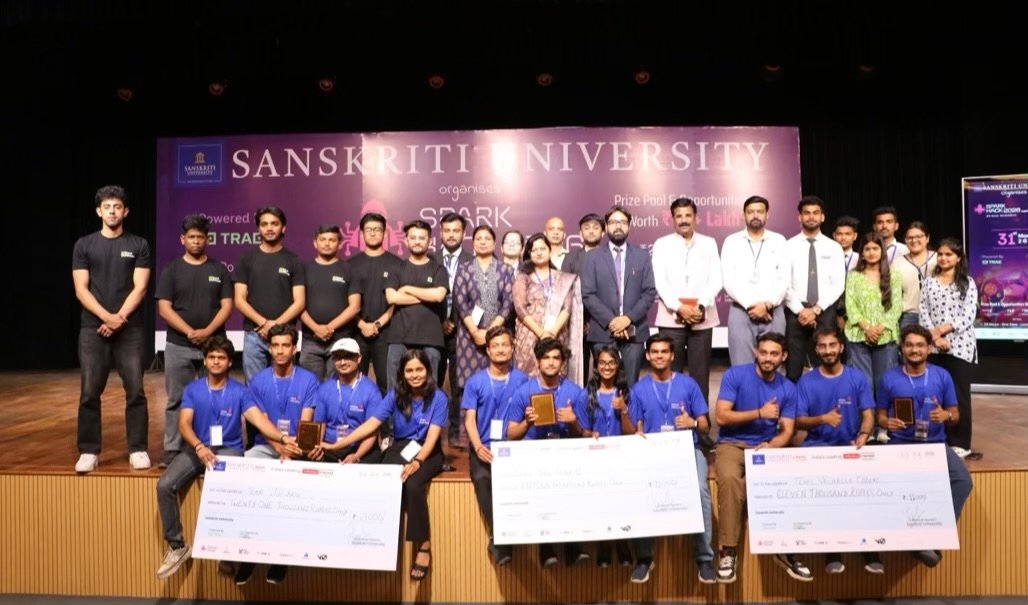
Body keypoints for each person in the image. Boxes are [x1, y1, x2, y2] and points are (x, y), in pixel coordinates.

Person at [155, 336, 300, 579]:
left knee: (224, 490)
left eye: (221, 358)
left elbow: (259, 420)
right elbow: (184, 424)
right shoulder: (193, 389)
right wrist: (199, 447)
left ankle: (227, 551)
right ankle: (177, 546)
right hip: (197, 449)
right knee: (164, 485)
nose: (216, 361)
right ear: (204, 361)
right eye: (211, 357)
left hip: (229, 450)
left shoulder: (240, 391)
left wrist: (282, 438)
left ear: (230, 362)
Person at [322, 349, 447, 581]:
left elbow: (432, 437)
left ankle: (423, 544)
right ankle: (377, 542)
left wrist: (418, 461)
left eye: (419, 369)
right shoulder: (395, 394)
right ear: (402, 374)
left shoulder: (438, 397)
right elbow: (370, 424)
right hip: (401, 446)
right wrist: (338, 445)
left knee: (412, 484)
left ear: (428, 371)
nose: (415, 375)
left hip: (428, 451)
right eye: (409, 370)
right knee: (385, 481)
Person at [875, 324, 974, 568]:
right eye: (909, 345)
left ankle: (933, 536)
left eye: (920, 345)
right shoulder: (889, 378)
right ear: (901, 349)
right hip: (900, 445)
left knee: (963, 481)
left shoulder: (942, 376)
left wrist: (946, 416)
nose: (915, 350)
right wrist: (888, 422)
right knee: (883, 486)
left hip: (935, 445)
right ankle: (888, 541)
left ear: (929, 349)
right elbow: (880, 416)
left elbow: (955, 414)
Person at [72, 185, 152, 473]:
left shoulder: (139, 244)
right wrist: (107, 317)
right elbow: (81, 289)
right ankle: (88, 451)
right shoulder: (84, 245)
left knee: (136, 390)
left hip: (129, 328)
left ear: (125, 211)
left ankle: (138, 449)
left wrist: (119, 318)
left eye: (117, 207)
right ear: (98, 211)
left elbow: (140, 287)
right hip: (93, 328)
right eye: (107, 207)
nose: (112, 211)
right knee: (89, 392)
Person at [234, 323, 320, 586]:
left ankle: (281, 555)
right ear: (269, 349)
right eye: (275, 346)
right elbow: (261, 422)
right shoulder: (258, 381)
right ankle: (248, 553)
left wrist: (290, 451)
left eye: (285, 345)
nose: (280, 351)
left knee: (290, 487)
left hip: (297, 448)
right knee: (246, 469)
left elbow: (306, 424)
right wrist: (278, 446)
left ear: (295, 349)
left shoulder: (308, 380)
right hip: (267, 446)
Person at [627, 335, 716, 585]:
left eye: (664, 352)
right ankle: (644, 558)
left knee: (700, 490)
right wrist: (637, 432)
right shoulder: (639, 389)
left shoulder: (688, 384)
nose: (659, 356)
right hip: (653, 453)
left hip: (687, 448)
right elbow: (634, 426)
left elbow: (705, 425)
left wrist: (693, 422)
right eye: (654, 352)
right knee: (642, 490)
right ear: (647, 356)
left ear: (672, 355)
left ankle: (704, 558)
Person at [793, 327, 882, 575]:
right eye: (822, 346)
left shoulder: (856, 378)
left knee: (868, 494)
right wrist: (822, 419)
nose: (828, 351)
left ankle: (869, 548)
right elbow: (798, 421)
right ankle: (832, 550)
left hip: (850, 448)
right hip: (817, 450)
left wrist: (864, 434)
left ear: (841, 347)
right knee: (827, 496)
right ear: (816, 350)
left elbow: (868, 414)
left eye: (832, 345)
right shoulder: (806, 381)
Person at [713, 332, 799, 583]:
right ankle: (728, 552)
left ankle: (786, 548)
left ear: (784, 356)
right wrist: (759, 413)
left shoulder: (788, 387)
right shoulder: (735, 375)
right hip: (732, 444)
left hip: (765, 446)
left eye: (774, 354)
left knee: (789, 482)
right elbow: (721, 417)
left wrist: (772, 446)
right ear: (755, 353)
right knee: (730, 481)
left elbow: (788, 431)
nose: (768, 358)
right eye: (763, 352)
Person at [155, 213, 233, 468]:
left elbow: (227, 306)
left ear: (207, 239)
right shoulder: (172, 270)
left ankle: (214, 444)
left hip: (213, 346)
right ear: (183, 239)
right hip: (178, 345)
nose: (196, 241)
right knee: (177, 399)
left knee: (215, 397)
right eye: (191, 237)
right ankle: (173, 448)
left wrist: (207, 331)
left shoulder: (219, 270)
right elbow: (164, 308)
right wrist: (190, 331)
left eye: (200, 237)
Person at [507, 338, 587, 567]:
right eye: (546, 358)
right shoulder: (524, 392)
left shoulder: (575, 392)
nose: (551, 362)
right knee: (542, 495)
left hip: (566, 454)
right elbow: (510, 434)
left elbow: (585, 434)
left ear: (562, 363)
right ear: (538, 360)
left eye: (556, 358)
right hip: (535, 457)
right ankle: (545, 548)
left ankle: (572, 546)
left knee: (571, 494)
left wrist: (573, 422)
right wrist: (527, 423)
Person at [461, 326, 529, 566]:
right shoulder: (475, 382)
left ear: (512, 349)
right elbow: (469, 420)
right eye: (495, 346)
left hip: (514, 446)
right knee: (482, 480)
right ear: (488, 350)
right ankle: (501, 536)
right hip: (485, 447)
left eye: (505, 345)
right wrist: (478, 446)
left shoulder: (522, 379)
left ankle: (500, 540)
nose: (500, 350)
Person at [652, 197, 722, 403]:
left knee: (700, 375)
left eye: (688, 215)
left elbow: (716, 279)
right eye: (679, 216)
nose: (684, 220)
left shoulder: (709, 243)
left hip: (702, 318)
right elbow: (659, 281)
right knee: (669, 372)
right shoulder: (662, 244)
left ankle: (701, 419)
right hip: (670, 319)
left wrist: (699, 306)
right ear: (672, 219)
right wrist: (679, 307)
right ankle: (669, 417)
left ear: (695, 217)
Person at [581, 206, 657, 387]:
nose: (618, 226)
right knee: (604, 385)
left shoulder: (642, 256)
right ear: (606, 227)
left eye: (622, 222)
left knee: (631, 385)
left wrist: (627, 319)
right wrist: (612, 321)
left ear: (629, 226)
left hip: (634, 331)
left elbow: (649, 292)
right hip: (603, 331)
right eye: (613, 222)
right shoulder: (592, 257)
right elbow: (588, 294)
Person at [575, 346, 635, 570]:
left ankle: (621, 542)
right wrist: (589, 434)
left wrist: (624, 411)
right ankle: (604, 544)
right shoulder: (586, 395)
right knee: (600, 502)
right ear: (596, 367)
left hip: (622, 456)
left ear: (617, 366)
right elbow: (582, 431)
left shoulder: (628, 394)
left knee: (621, 501)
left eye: (611, 363)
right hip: (596, 457)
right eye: (602, 363)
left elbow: (631, 432)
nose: (606, 367)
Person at [919, 238, 978, 458]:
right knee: (934, 393)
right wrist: (934, 338)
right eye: (941, 254)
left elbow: (968, 314)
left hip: (960, 346)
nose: (943, 258)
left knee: (959, 395)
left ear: (958, 258)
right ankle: (937, 439)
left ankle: (960, 443)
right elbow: (923, 311)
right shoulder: (929, 282)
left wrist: (943, 330)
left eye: (949, 255)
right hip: (933, 347)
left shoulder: (967, 283)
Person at [233, 206, 306, 381]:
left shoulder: (294, 260)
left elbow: (299, 302)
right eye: (264, 224)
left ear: (283, 228)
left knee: (285, 385)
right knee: (254, 387)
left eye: (274, 224)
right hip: (254, 334)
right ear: (258, 229)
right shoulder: (246, 259)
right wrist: (264, 323)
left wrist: (274, 327)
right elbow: (239, 299)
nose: (269, 228)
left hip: (284, 335)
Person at [720, 196, 789, 366]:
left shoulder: (779, 241)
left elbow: (784, 278)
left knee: (773, 365)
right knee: (741, 366)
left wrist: (767, 305)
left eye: (760, 211)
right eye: (751, 212)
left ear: (767, 214)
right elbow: (728, 280)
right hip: (741, 311)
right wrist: (751, 306)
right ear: (744, 214)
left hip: (773, 312)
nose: (755, 215)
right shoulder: (732, 241)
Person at [783, 196, 845, 381]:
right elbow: (784, 283)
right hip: (796, 312)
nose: (811, 217)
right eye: (807, 213)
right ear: (799, 217)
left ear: (822, 217)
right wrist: (801, 310)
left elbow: (838, 284)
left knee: (826, 364)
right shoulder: (787, 246)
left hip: (824, 310)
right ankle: (793, 400)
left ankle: (825, 398)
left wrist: (816, 309)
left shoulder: (834, 247)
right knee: (793, 367)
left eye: (816, 213)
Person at [453, 226, 515, 405]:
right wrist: (475, 332)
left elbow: (508, 303)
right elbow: (460, 302)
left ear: (494, 243)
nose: (483, 242)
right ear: (473, 243)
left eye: (487, 238)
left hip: (498, 335)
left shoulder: (505, 269)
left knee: (500, 380)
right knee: (469, 384)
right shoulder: (464, 269)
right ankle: (469, 421)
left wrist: (490, 332)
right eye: (478, 239)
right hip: (469, 336)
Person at [385, 220, 449, 388]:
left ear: (429, 241)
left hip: (431, 338)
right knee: (395, 389)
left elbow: (438, 296)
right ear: (406, 241)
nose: (417, 241)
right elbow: (392, 298)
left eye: (422, 238)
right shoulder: (396, 268)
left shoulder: (438, 269)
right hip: (399, 336)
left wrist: (407, 289)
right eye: (413, 238)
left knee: (431, 388)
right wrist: (426, 295)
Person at [512, 233, 583, 381]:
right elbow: (520, 308)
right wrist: (541, 333)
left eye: (542, 248)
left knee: (554, 375)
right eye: (534, 250)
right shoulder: (523, 277)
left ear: (550, 250)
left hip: (556, 335)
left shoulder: (563, 278)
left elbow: (567, 308)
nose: (539, 252)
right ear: (529, 254)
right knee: (528, 381)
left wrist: (552, 333)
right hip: (529, 337)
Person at [303, 338, 384, 463]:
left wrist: (357, 456)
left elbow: (372, 432)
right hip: (330, 446)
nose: (342, 362)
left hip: (359, 447)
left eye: (348, 357)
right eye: (338, 358)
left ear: (359, 358)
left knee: (373, 459)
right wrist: (317, 449)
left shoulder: (371, 390)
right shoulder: (324, 388)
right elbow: (320, 425)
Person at [348, 212, 403, 394]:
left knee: (388, 384)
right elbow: (346, 301)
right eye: (368, 229)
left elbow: (398, 300)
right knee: (355, 384)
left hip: (386, 333)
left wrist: (378, 324)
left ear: (385, 233)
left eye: (377, 229)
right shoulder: (350, 265)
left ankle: (388, 415)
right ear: (361, 233)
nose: (373, 233)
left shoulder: (397, 264)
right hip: (356, 332)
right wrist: (362, 325)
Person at [299, 224, 361, 380]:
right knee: (310, 386)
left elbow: (355, 307)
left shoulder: (349, 269)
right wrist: (316, 329)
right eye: (323, 239)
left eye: (332, 240)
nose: (327, 244)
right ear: (315, 243)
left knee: (338, 386)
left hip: (340, 338)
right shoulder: (303, 269)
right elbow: (298, 304)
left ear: (339, 244)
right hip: (311, 340)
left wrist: (329, 328)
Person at [845, 232, 902, 395]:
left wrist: (879, 328)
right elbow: (850, 305)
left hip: (885, 336)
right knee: (863, 384)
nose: (871, 252)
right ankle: (867, 412)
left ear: (882, 250)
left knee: (885, 383)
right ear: (862, 252)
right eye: (867, 249)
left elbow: (896, 306)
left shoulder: (893, 275)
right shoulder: (853, 275)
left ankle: (883, 413)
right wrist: (867, 328)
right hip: (858, 336)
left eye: (875, 248)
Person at [432, 213, 472, 448]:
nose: (451, 235)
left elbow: (474, 298)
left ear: (464, 233)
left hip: (462, 331)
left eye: (456, 230)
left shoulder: (472, 260)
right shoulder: (429, 258)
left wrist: (457, 321)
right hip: (432, 330)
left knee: (459, 386)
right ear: (440, 232)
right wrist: (440, 321)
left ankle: (456, 433)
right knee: (431, 383)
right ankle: (431, 433)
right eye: (447, 230)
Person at [562, 213, 605, 373]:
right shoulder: (571, 258)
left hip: (603, 323)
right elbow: (565, 290)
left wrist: (596, 320)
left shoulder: (610, 257)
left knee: (603, 366)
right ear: (580, 233)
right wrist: (581, 319)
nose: (591, 231)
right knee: (579, 369)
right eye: (587, 228)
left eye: (595, 227)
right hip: (577, 322)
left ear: (603, 232)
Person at [896, 221, 937, 329]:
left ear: (927, 238)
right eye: (910, 238)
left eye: (919, 236)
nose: (914, 240)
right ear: (905, 240)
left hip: (936, 314)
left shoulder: (938, 258)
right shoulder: (897, 263)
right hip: (909, 316)